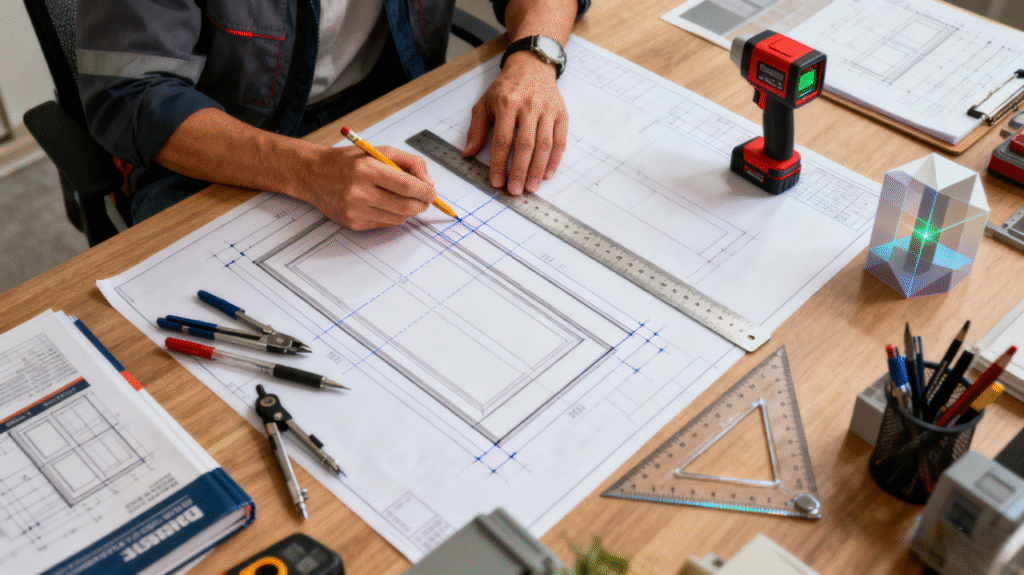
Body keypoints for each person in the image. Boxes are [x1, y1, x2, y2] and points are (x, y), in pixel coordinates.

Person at [76, 0, 590, 231]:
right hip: (216, 151)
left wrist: (535, 58)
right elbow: (130, 96)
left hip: (386, 103)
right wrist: (308, 170)